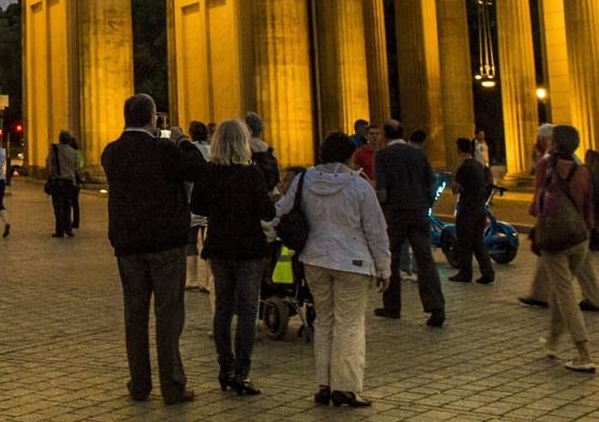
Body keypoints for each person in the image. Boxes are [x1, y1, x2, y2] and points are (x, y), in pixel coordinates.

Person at [99, 93, 206, 405]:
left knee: (135, 315)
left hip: (128, 245)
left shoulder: (111, 153)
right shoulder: (164, 150)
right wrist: (183, 141)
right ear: (153, 119)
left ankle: (140, 384)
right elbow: (197, 169)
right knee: (168, 314)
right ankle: (172, 385)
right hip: (165, 246)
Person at [277, 131, 391, 408]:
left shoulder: (305, 180)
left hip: (314, 258)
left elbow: (280, 210)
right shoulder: (359, 186)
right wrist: (384, 268)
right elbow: (376, 230)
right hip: (353, 261)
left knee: (324, 322)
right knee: (349, 324)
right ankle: (346, 387)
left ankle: (324, 384)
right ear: (349, 155)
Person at [189, 119, 274, 396]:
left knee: (223, 308)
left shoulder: (209, 172)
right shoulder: (252, 174)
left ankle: (224, 368)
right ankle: (242, 371)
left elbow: (197, 205)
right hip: (249, 249)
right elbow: (268, 212)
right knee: (247, 310)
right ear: (243, 142)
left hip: (220, 248)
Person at [532, 124, 596, 372]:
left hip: (556, 239)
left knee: (566, 294)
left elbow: (537, 204)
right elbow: (589, 205)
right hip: (580, 237)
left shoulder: (545, 166)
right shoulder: (583, 170)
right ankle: (551, 341)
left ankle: (583, 353)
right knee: (563, 289)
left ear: (554, 143)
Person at [373, 118, 445, 327]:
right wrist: (425, 203)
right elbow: (431, 182)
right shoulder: (418, 153)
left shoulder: (383, 155)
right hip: (419, 211)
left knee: (391, 259)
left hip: (396, 213)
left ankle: (392, 306)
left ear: (385, 135)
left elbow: (382, 192)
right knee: (425, 259)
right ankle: (436, 307)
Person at [449, 136, 495, 285]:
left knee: (464, 242)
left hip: (467, 209)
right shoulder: (479, 165)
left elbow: (455, 189)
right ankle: (487, 272)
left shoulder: (464, 167)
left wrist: (454, 178)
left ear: (458, 150)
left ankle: (465, 272)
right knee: (478, 242)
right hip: (480, 209)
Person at [184, 121, 212, 291]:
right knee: (208, 241)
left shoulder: (188, 150)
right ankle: (208, 280)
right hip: (209, 201)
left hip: (192, 199)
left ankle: (192, 278)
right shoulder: (211, 149)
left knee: (191, 240)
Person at [46, 130, 80, 237]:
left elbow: (49, 164)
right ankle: (68, 229)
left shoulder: (54, 149)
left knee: (58, 207)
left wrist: (49, 177)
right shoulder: (74, 152)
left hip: (58, 181)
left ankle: (59, 230)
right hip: (69, 182)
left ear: (60, 138)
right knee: (67, 206)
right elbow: (75, 168)